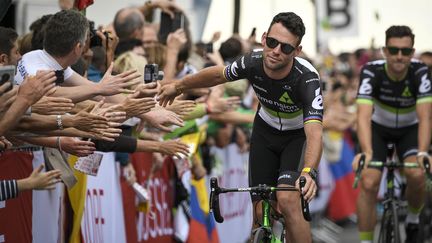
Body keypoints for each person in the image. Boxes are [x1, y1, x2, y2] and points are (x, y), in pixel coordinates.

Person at [158, 12, 323, 242]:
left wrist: (309, 172)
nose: (276, 51)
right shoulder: (253, 61)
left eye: (286, 48)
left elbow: (315, 132)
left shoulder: (306, 79)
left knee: (287, 200)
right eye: (273, 42)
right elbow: (216, 76)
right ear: (264, 38)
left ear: (297, 51)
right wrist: (177, 86)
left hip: (296, 137)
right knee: (259, 212)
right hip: (265, 131)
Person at [354, 25, 432, 243]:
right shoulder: (371, 70)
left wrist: (424, 152)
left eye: (406, 51)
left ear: (412, 52)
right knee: (369, 182)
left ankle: (413, 220)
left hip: (410, 129)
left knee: (417, 174)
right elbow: (362, 116)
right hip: (378, 129)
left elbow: (426, 117)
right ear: (385, 50)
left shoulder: (420, 71)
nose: (399, 56)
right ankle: (366, 240)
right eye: (394, 50)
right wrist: (367, 152)